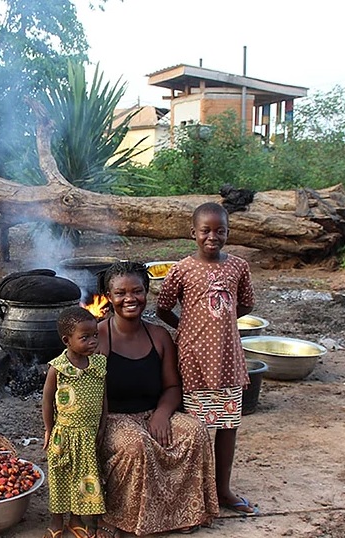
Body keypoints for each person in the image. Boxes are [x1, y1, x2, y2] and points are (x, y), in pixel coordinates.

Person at [94, 262, 219, 537]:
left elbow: (173, 385)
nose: (130, 299)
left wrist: (162, 413)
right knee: (136, 444)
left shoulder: (159, 336)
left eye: (137, 291)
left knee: (195, 432)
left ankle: (181, 513)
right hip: (112, 418)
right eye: (120, 293)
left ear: (147, 292)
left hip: (153, 411)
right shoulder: (97, 337)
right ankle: (121, 518)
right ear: (108, 296)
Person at [155, 201, 259, 517]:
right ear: (193, 233)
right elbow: (163, 307)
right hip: (193, 359)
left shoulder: (238, 266)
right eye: (205, 231)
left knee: (228, 425)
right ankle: (194, 492)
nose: (212, 237)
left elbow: (246, 305)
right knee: (194, 430)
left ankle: (222, 490)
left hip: (227, 358)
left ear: (228, 232)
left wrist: (223, 321)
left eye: (220, 231)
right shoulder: (182, 269)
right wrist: (188, 326)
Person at [42, 306, 107, 538]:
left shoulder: (99, 365)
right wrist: (49, 430)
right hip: (64, 433)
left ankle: (76, 520)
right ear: (67, 340)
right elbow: (47, 401)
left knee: (84, 478)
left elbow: (103, 397)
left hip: (88, 435)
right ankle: (56, 521)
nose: (92, 341)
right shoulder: (58, 368)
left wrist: (102, 426)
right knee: (60, 476)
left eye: (95, 336)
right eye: (85, 337)